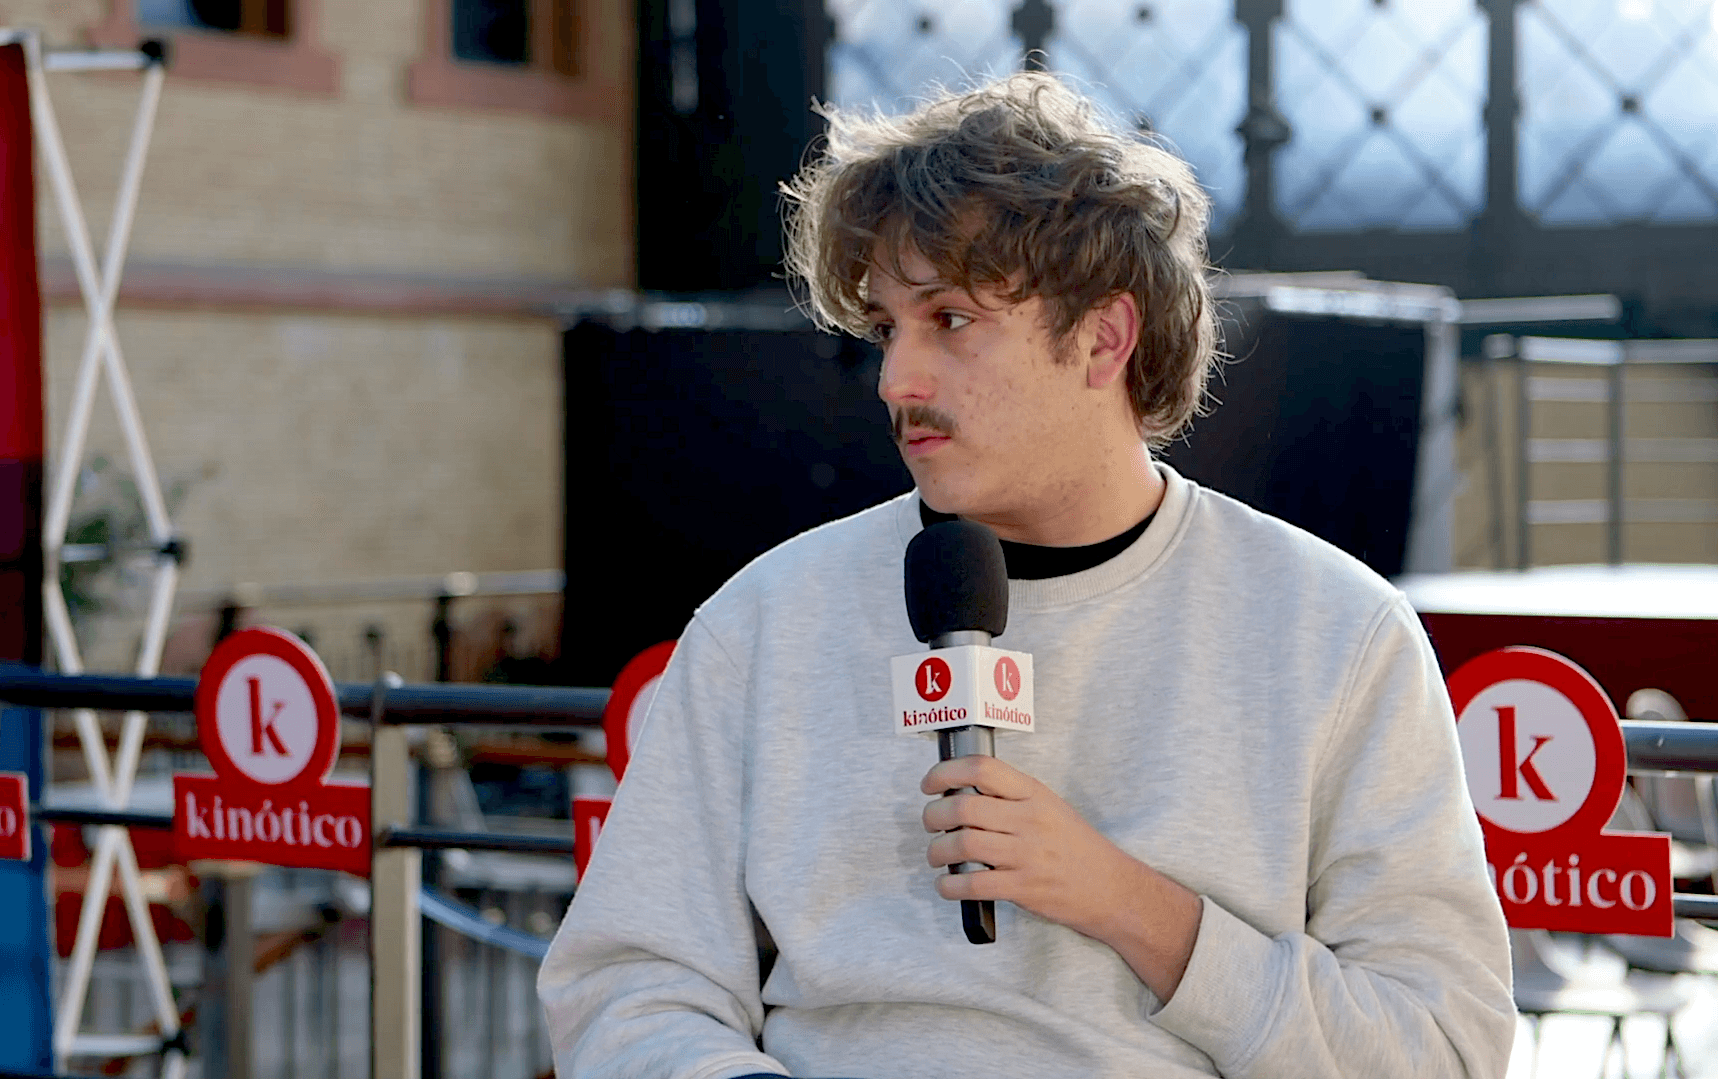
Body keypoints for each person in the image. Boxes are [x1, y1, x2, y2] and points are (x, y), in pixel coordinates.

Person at [538, 71, 1514, 1078]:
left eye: (950, 320)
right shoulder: (763, 622)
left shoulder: (1333, 632)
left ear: (1102, 338)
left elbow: (1439, 1047)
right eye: (885, 329)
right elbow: (625, 987)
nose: (894, 381)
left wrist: (1132, 903)